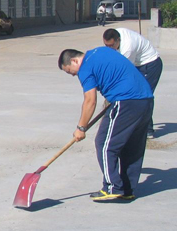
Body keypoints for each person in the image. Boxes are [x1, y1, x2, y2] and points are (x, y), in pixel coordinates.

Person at [58, 47, 153, 202]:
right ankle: (127, 189)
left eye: (70, 72)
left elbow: (90, 100)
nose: (74, 75)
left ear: (74, 61)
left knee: (104, 144)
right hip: (145, 99)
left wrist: (81, 128)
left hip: (125, 101)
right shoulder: (102, 51)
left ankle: (112, 187)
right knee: (132, 146)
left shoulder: (85, 67)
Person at [102, 27, 163, 138]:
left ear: (118, 40)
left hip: (150, 64)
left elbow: (123, 72)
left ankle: (148, 130)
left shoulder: (128, 48)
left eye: (111, 46)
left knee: (144, 96)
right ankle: (136, 125)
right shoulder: (115, 33)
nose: (109, 48)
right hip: (137, 64)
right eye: (107, 45)